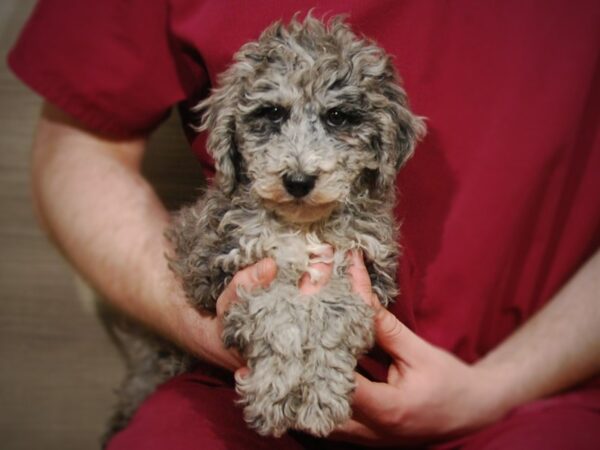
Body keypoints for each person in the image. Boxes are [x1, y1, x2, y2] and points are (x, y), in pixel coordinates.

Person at [9, 0, 600, 448]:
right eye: (268, 117)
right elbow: (80, 146)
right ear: (231, 138)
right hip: (226, 388)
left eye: (340, 120)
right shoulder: (239, 215)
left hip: (541, 387)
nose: (300, 165)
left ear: (385, 143)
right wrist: (214, 333)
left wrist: (494, 391)